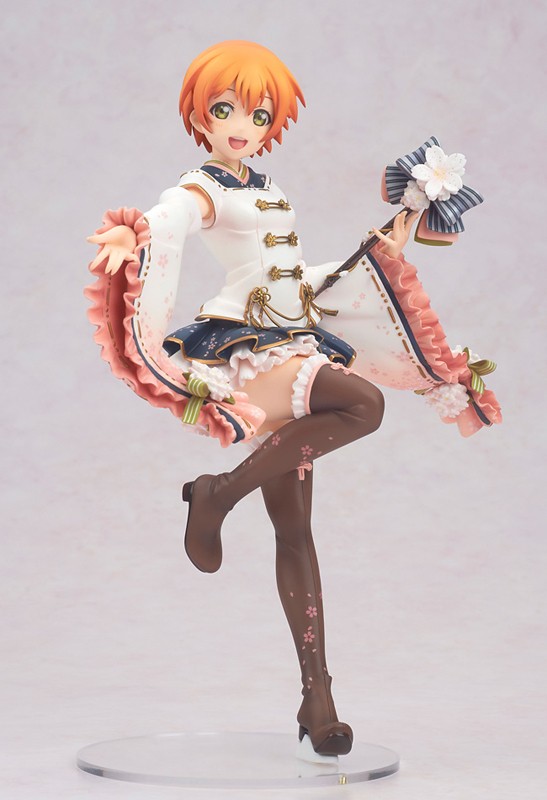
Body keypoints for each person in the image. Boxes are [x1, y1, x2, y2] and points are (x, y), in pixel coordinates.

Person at [87, 40, 500, 758]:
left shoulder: (267, 189)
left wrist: (384, 245)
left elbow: (288, 274)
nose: (241, 125)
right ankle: (217, 493)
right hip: (252, 353)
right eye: (225, 109)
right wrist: (137, 234)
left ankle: (318, 700)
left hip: (293, 337)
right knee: (362, 405)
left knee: (295, 533)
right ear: (200, 114)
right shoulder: (204, 188)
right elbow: (173, 218)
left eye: (258, 114)